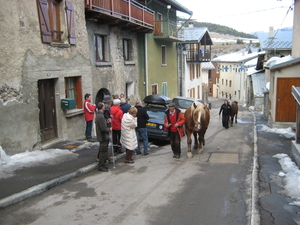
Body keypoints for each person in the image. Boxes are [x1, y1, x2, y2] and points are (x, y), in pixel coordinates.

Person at [95, 102, 112, 172]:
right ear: (102, 107)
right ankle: (101, 166)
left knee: (104, 151)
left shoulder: (100, 115)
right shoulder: (100, 116)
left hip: (104, 136)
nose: (105, 107)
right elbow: (103, 129)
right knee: (103, 152)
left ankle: (104, 164)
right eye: (104, 106)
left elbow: (103, 124)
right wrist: (109, 129)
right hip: (103, 137)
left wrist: (107, 122)